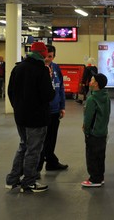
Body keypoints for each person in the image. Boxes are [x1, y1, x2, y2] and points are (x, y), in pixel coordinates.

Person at [6, 42, 55, 193]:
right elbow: (48, 95)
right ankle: (29, 182)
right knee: (33, 150)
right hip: (37, 118)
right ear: (42, 53)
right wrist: (50, 80)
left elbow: (10, 92)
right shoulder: (42, 70)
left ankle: (12, 180)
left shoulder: (18, 68)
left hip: (20, 116)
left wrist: (18, 108)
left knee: (23, 146)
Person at [37, 45, 68, 173]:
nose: (47, 59)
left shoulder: (56, 67)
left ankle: (51, 162)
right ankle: (36, 169)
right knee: (40, 141)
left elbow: (60, 87)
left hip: (55, 110)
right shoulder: (38, 69)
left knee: (51, 139)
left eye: (50, 56)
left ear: (54, 56)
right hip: (42, 111)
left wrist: (62, 106)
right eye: (46, 56)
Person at [81, 73, 111, 187]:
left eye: (92, 80)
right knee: (100, 156)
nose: (90, 82)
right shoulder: (106, 97)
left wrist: (86, 130)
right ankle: (100, 176)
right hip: (103, 131)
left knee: (91, 156)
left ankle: (94, 179)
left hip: (93, 133)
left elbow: (88, 118)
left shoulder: (92, 99)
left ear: (96, 83)